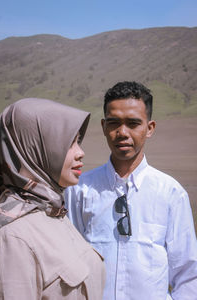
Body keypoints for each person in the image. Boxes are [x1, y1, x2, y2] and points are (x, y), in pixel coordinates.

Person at [65, 81, 197, 300]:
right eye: (113, 123)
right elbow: (69, 261)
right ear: (103, 126)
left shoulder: (170, 193)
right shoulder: (79, 191)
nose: (122, 132)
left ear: (150, 128)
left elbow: (187, 274)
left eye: (133, 123)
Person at [0, 98, 105, 300]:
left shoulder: (54, 212)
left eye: (78, 141)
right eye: (68, 142)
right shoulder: (14, 237)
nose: (80, 153)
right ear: (34, 149)